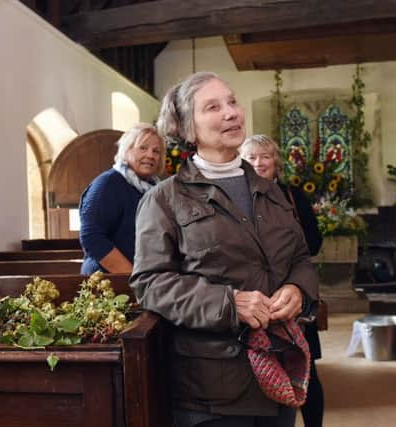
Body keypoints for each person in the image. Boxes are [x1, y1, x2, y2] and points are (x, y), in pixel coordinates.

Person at [130, 71, 319, 427]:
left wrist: (298, 289)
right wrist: (229, 303)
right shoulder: (165, 199)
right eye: (213, 107)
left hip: (279, 368)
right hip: (213, 386)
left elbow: (300, 258)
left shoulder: (272, 191)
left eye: (232, 101)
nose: (231, 112)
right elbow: (150, 284)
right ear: (187, 127)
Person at [241, 135, 325, 427]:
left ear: (276, 162)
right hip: (253, 295)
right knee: (259, 365)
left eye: (265, 156)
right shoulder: (234, 197)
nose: (258, 163)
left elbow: (313, 243)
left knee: (306, 365)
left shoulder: (292, 195)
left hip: (292, 290)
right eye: (251, 157)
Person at [78, 123, 165, 275]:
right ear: (126, 150)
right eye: (143, 148)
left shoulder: (156, 190)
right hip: (109, 281)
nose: (150, 155)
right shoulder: (108, 183)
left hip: (146, 278)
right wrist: (132, 277)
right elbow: (91, 237)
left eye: (156, 151)